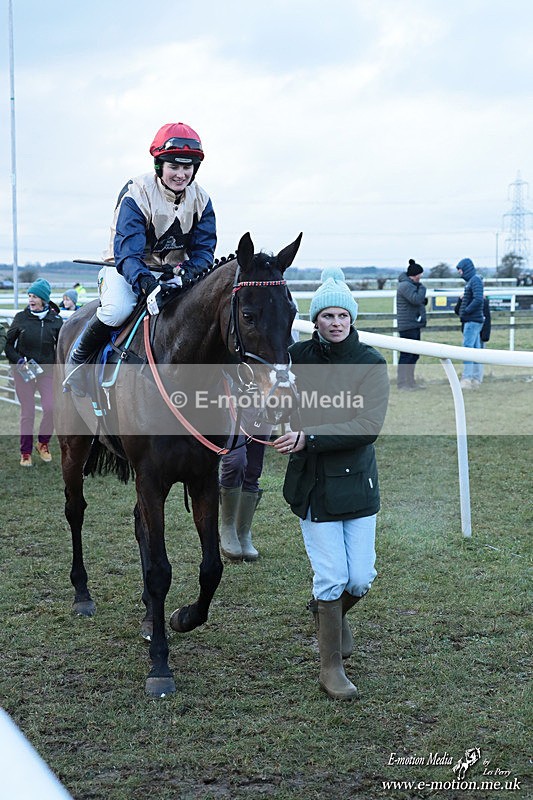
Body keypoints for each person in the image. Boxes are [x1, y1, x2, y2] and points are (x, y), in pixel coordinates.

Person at [274, 267, 389, 700]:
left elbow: (368, 425)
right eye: (327, 316)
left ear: (352, 319)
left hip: (357, 483)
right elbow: (273, 397)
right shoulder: (295, 356)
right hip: (312, 486)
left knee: (359, 579)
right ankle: (330, 668)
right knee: (332, 575)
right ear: (316, 320)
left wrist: (310, 438)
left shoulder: (371, 363)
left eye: (343, 315)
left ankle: (328, 616)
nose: (336, 323)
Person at [65, 121, 217, 396]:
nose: (181, 174)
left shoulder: (202, 199)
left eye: (187, 167)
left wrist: (184, 274)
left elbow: (205, 251)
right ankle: (78, 359)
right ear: (159, 165)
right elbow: (128, 252)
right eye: (174, 166)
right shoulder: (137, 191)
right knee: (117, 309)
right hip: (124, 268)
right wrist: (148, 284)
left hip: (172, 272)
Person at [4, 279, 63, 466]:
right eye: (29, 295)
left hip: (46, 371)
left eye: (35, 296)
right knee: (28, 412)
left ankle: (43, 443)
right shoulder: (21, 318)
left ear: (44, 299)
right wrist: (19, 360)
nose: (31, 299)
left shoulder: (55, 321)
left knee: (51, 408)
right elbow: (8, 345)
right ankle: (25, 452)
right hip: (23, 371)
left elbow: (61, 347)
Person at [219, 412, 272, 563]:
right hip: (231, 403)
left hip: (263, 404)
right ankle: (228, 526)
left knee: (254, 469)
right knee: (236, 461)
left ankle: (243, 532)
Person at [396, 258, 427, 390]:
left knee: (413, 354)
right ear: (415, 275)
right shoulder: (406, 286)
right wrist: (422, 289)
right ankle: (403, 383)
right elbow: (416, 299)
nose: (421, 278)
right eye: (419, 275)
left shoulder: (408, 285)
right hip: (408, 325)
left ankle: (410, 382)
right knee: (407, 355)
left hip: (412, 324)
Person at [455, 257, 484, 389]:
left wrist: (466, 311)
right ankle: (476, 379)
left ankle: (467, 379)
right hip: (474, 319)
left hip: (472, 320)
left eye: (460, 269)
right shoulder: (473, 281)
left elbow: (478, 299)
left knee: (467, 350)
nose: (459, 272)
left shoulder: (475, 281)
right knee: (476, 351)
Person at [454, 293, 491, 388]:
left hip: (478, 330)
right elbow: (458, 311)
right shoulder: (476, 299)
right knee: (476, 354)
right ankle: (474, 378)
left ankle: (471, 378)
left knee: (473, 353)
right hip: (476, 329)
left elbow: (487, 318)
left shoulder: (480, 301)